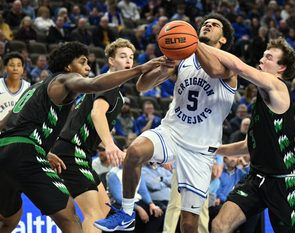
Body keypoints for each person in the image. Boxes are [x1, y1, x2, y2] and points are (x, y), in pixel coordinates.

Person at [94, 13, 236, 233]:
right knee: (134, 152)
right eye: (205, 23)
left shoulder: (229, 64)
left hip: (200, 149)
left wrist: (192, 41)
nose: (207, 25)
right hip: (172, 132)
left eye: (215, 25)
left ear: (224, 39)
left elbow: (215, 70)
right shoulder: (183, 59)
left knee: (189, 225)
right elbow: (142, 86)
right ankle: (126, 214)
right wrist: (162, 68)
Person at [0, 41, 163, 233]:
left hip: (8, 150)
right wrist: (140, 69)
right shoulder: (65, 79)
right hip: (35, 152)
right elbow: (94, 88)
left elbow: (4, 126)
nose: (87, 67)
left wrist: (45, 151)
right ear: (68, 66)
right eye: (83, 62)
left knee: (9, 219)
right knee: (71, 217)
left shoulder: (33, 88)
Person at [196, 37, 295, 232]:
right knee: (220, 225)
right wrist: (212, 149)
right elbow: (247, 145)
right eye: (263, 55)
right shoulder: (262, 97)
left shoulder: (277, 86)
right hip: (256, 177)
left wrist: (198, 45)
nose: (262, 60)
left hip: (283, 180)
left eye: (269, 57)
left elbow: (239, 66)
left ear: (281, 68)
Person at [48, 38, 137, 233]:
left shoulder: (108, 87)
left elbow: (89, 124)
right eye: (122, 56)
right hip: (71, 151)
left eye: (131, 57)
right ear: (111, 61)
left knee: (105, 211)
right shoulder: (108, 84)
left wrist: (112, 147)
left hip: (79, 152)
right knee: (94, 214)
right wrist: (110, 144)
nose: (128, 61)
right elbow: (97, 113)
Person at [0, 52, 30, 121]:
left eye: (19, 65)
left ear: (22, 69)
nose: (15, 68)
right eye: (12, 65)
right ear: (5, 68)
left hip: (19, 130)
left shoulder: (28, 88)